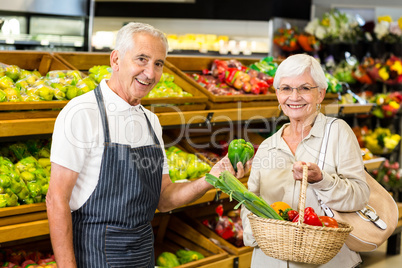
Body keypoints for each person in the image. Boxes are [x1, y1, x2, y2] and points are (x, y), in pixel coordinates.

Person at [46, 22, 248, 268]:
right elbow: (56, 200)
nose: (150, 73)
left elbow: (164, 198)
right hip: (94, 255)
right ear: (116, 59)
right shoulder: (82, 113)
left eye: (158, 64)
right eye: (141, 59)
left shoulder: (150, 121)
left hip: (142, 254)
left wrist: (211, 177)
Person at [240, 54, 370, 268]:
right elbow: (250, 200)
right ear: (277, 94)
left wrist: (322, 180)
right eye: (286, 88)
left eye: (304, 88)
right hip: (271, 262)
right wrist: (257, 236)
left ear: (320, 94)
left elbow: (360, 196)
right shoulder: (267, 147)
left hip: (326, 262)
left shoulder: (337, 132)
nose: (294, 96)